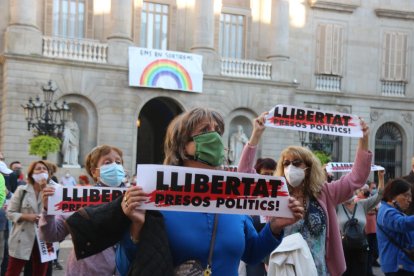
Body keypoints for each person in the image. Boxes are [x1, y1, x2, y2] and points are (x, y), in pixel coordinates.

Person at [60, 108, 304, 275]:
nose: (215, 137)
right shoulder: (153, 194)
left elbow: (251, 253)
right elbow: (126, 267)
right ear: (182, 146)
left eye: (217, 131)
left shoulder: (235, 195)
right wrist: (135, 228)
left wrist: (275, 228)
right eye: (204, 131)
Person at [237, 112, 372, 276]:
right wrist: (256, 134)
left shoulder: (325, 192)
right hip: (283, 270)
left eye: (296, 163)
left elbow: (356, 179)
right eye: (286, 163)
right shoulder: (275, 192)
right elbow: (244, 176)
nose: (290, 168)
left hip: (320, 270)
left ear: (308, 168)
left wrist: (363, 140)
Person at [39, 145, 126, 275]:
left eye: (118, 162)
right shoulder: (78, 198)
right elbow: (52, 235)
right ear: (94, 171)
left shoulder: (133, 197)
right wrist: (48, 210)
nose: (115, 166)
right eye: (107, 162)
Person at [5, 160, 51, 276]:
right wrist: (26, 216)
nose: (42, 171)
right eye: (38, 169)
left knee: (40, 272)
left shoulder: (53, 191)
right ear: (31, 173)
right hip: (22, 237)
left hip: (44, 238)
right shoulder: (22, 190)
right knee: (13, 271)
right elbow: (10, 212)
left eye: (44, 169)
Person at [336, 170, 385, 276]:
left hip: (361, 248)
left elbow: (380, 194)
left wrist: (381, 178)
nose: (348, 191)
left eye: (350, 188)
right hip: (343, 249)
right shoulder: (336, 206)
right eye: (345, 189)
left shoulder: (362, 204)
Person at [377, 178, 414, 275]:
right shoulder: (387, 212)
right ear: (393, 195)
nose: (409, 200)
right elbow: (402, 224)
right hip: (397, 266)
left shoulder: (391, 211)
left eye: (410, 196)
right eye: (406, 195)